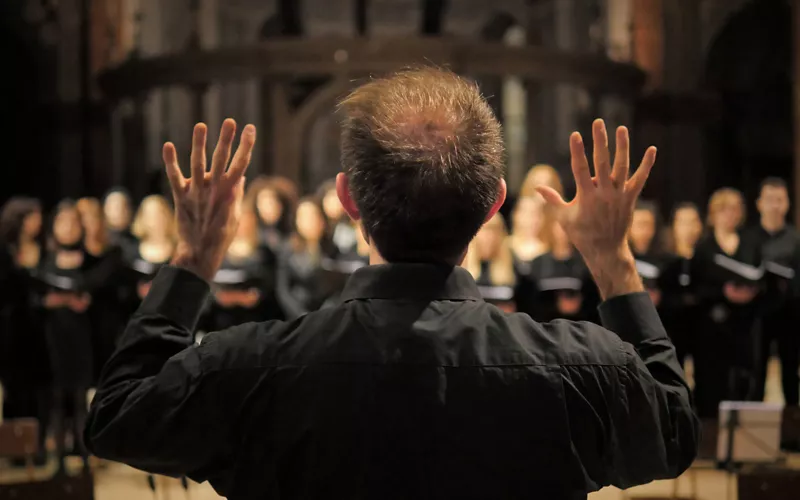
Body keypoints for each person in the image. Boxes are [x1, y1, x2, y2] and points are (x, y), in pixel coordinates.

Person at [85, 70, 698, 499]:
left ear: (349, 199)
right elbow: (674, 431)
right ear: (494, 207)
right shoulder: (578, 368)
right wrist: (614, 263)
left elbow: (115, 417)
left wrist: (192, 260)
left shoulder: (251, 368)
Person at [694, 188, 763, 417]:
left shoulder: (750, 243)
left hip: (744, 321)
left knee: (744, 375)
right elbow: (696, 286)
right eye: (723, 210)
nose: (729, 214)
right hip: (713, 322)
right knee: (713, 376)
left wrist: (751, 291)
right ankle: (711, 430)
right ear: (713, 214)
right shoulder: (704, 247)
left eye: (735, 209)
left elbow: (759, 276)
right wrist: (723, 292)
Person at [39, 200, 93, 473]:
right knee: (57, 397)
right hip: (54, 336)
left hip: (81, 336)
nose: (68, 227)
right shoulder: (45, 259)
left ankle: (84, 458)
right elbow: (37, 298)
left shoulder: (88, 258)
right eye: (62, 222)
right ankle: (58, 462)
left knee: (80, 397)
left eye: (73, 222)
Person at [0, 197, 49, 464]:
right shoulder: (4, 250)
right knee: (15, 389)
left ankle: (37, 447)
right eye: (34, 217)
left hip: (39, 329)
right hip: (11, 329)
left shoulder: (42, 247)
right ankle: (15, 449)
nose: (39, 223)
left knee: (38, 389)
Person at [749, 178, 800, 406]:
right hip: (755, 313)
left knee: (790, 373)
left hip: (789, 313)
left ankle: (792, 435)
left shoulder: (795, 239)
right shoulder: (748, 237)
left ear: (787, 204)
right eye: (770, 200)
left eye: (780, 200)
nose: (775, 205)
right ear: (759, 203)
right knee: (755, 372)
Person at [520, 219, 598, 323]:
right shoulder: (538, 263)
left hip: (577, 323)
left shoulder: (584, 264)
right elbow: (528, 299)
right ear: (552, 228)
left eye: (568, 227)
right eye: (560, 226)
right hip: (543, 323)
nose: (563, 231)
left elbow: (592, 300)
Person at [275, 197, 337, 319]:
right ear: (296, 221)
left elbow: (338, 288)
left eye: (314, 216)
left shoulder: (333, 247)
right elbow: (283, 290)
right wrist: (301, 315)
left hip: (327, 316)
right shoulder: (288, 249)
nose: (310, 221)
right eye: (304, 217)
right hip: (298, 315)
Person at [659, 203, 704, 368]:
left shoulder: (705, 259)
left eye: (693, 222)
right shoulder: (665, 261)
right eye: (683, 222)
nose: (689, 228)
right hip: (672, 329)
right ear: (673, 226)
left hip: (702, 329)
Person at [464, 213, 517, 312]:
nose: (490, 237)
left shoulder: (513, 268)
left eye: (495, 231)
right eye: (485, 231)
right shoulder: (462, 269)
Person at [629, 201, 667, 307]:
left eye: (649, 224)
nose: (644, 231)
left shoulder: (665, 260)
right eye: (640, 224)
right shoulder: (619, 260)